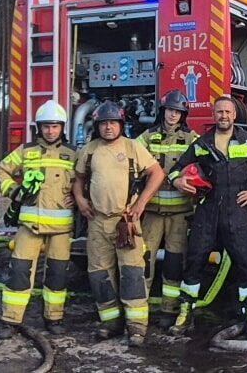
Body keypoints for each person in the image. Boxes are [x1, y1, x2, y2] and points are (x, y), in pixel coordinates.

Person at [166, 96, 247, 339]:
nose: (223, 116)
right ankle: (185, 312)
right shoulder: (202, 143)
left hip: (236, 211)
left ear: (234, 115)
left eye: (228, 112)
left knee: (244, 263)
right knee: (195, 260)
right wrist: (178, 181)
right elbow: (175, 169)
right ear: (214, 114)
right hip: (207, 210)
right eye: (219, 112)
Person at [73, 101, 165, 347]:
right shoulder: (89, 150)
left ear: (121, 125)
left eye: (113, 123)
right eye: (104, 123)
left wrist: (141, 203)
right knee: (100, 275)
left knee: (133, 274)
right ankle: (111, 322)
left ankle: (136, 328)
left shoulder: (133, 147)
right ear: (98, 126)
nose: (108, 128)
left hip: (126, 222)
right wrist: (81, 200)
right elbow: (78, 179)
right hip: (98, 222)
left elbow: (157, 173)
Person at [0, 100, 77, 339]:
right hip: (29, 226)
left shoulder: (73, 154)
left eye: (55, 126)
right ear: (38, 128)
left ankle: (54, 318)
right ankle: (10, 320)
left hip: (61, 229)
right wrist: (14, 191)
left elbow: (87, 180)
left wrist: (78, 197)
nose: (50, 131)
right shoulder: (26, 151)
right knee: (19, 272)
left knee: (58, 275)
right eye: (46, 126)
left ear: (62, 128)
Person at [136, 90, 198, 324]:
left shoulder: (192, 138)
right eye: (171, 110)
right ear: (163, 111)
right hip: (151, 211)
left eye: (179, 112)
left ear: (184, 115)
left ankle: (169, 310)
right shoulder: (146, 137)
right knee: (144, 261)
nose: (174, 115)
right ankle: (139, 308)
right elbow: (131, 163)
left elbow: (203, 166)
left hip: (180, 213)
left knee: (174, 262)